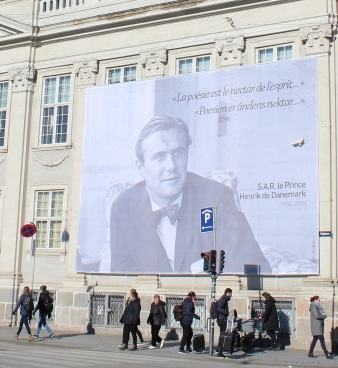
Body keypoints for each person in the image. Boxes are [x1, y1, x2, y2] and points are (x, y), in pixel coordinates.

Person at [108, 116, 270, 274]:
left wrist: (213, 273)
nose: (171, 166)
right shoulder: (123, 208)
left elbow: (255, 267)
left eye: (178, 153)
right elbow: (121, 277)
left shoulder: (217, 197)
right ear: (141, 167)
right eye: (159, 157)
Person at [215, 288, 232, 357]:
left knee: (222, 334)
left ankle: (219, 349)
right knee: (223, 335)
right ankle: (220, 351)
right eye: (231, 294)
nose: (231, 295)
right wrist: (227, 313)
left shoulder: (223, 299)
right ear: (228, 293)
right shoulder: (223, 299)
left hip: (221, 319)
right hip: (222, 319)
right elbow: (219, 308)